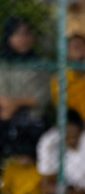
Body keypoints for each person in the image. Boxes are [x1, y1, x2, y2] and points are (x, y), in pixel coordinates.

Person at [1, 17, 50, 160]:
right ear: (8, 37)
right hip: (5, 118)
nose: (23, 38)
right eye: (17, 34)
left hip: (33, 120)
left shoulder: (41, 64)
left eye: (27, 33)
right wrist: (23, 100)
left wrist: (15, 102)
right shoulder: (2, 62)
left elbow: (43, 97)